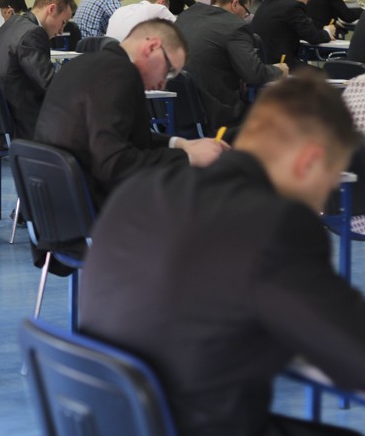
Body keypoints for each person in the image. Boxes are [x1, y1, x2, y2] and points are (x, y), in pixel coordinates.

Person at [79, 76, 365, 436]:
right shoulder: (276, 224)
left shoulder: (139, 190)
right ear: (309, 161)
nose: (325, 197)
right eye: (331, 179)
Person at [35, 19, 225, 209]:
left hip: (58, 201)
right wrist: (187, 157)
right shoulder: (120, 73)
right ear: (152, 47)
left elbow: (119, 136)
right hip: (96, 204)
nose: (163, 84)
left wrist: (180, 144)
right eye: (168, 71)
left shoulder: (81, 64)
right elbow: (113, 164)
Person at [175, 0, 287, 134]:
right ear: (235, 4)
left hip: (177, 112)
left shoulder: (186, 16)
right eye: (246, 11)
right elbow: (254, 74)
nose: (245, 17)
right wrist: (279, 70)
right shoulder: (235, 27)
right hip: (215, 114)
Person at [0, 0, 76, 140]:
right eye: (63, 22)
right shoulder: (33, 33)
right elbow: (48, 84)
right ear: (51, 9)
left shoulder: (13, 23)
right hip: (20, 124)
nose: (61, 31)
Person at [250, 0, 335, 69]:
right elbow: (312, 36)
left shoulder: (268, 2)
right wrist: (327, 32)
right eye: (307, 0)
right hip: (281, 64)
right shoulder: (293, 6)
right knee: (324, 74)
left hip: (259, 63)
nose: (306, 4)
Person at [105, 0, 176, 42]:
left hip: (108, 52)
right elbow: (181, 28)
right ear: (161, 2)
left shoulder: (119, 10)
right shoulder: (158, 8)